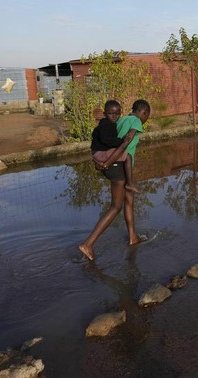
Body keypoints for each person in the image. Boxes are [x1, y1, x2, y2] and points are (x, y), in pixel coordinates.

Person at [78, 99, 151, 261]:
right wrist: (106, 163)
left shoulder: (122, 119)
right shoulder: (136, 122)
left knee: (129, 201)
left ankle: (133, 236)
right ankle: (88, 244)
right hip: (117, 166)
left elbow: (107, 139)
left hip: (119, 166)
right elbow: (125, 144)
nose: (146, 120)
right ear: (143, 112)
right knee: (116, 207)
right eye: (147, 116)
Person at [91, 100, 139, 193]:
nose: (114, 116)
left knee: (121, 154)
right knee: (128, 156)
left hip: (98, 152)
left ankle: (101, 164)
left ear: (120, 114)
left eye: (116, 114)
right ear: (105, 114)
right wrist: (121, 141)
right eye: (111, 113)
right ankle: (130, 183)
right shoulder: (106, 125)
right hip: (100, 153)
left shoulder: (107, 124)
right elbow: (107, 140)